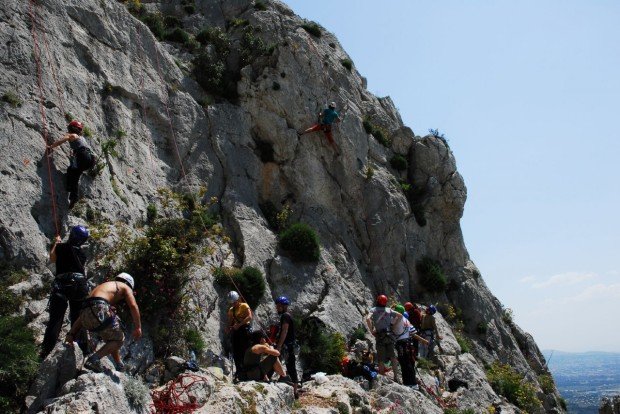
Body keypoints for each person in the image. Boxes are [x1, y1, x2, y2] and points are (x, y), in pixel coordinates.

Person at [65, 273, 141, 372]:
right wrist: (138, 327)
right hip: (99, 307)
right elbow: (133, 306)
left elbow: (81, 317)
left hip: (85, 312)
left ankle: (119, 364)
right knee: (119, 339)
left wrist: (71, 334)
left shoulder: (104, 287)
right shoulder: (125, 287)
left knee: (113, 336)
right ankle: (94, 359)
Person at [41, 225, 91, 358]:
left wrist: (56, 243)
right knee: (77, 319)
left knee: (56, 319)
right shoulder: (82, 255)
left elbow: (52, 258)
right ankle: (84, 350)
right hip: (80, 286)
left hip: (62, 285)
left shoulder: (61, 247)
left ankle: (45, 351)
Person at [47, 120, 95, 208]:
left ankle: (71, 191)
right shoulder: (82, 138)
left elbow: (61, 141)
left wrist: (51, 147)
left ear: (70, 128)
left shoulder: (71, 135)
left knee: (73, 173)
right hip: (90, 159)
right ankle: (72, 193)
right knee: (73, 172)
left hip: (82, 156)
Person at [365, 294, 400, 383]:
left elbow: (368, 319)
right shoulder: (389, 310)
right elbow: (399, 316)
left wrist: (371, 330)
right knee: (392, 356)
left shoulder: (374, 310)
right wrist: (393, 326)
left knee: (381, 357)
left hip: (380, 336)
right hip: (389, 335)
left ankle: (382, 376)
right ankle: (396, 376)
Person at [274, 296, 299, 396]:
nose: (277, 308)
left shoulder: (285, 316)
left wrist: (279, 345)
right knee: (288, 364)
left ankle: (295, 390)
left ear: (283, 306)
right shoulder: (287, 316)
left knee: (289, 364)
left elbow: (285, 331)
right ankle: (284, 379)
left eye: (278, 306)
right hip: (289, 345)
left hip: (287, 346)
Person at [226, 290, 253, 379]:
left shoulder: (244, 306)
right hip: (236, 331)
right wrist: (228, 328)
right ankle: (239, 371)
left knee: (244, 351)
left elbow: (249, 317)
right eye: (232, 303)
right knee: (236, 352)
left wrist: (239, 324)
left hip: (244, 330)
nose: (233, 304)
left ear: (238, 299)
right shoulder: (231, 310)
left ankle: (246, 371)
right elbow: (230, 322)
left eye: (234, 302)